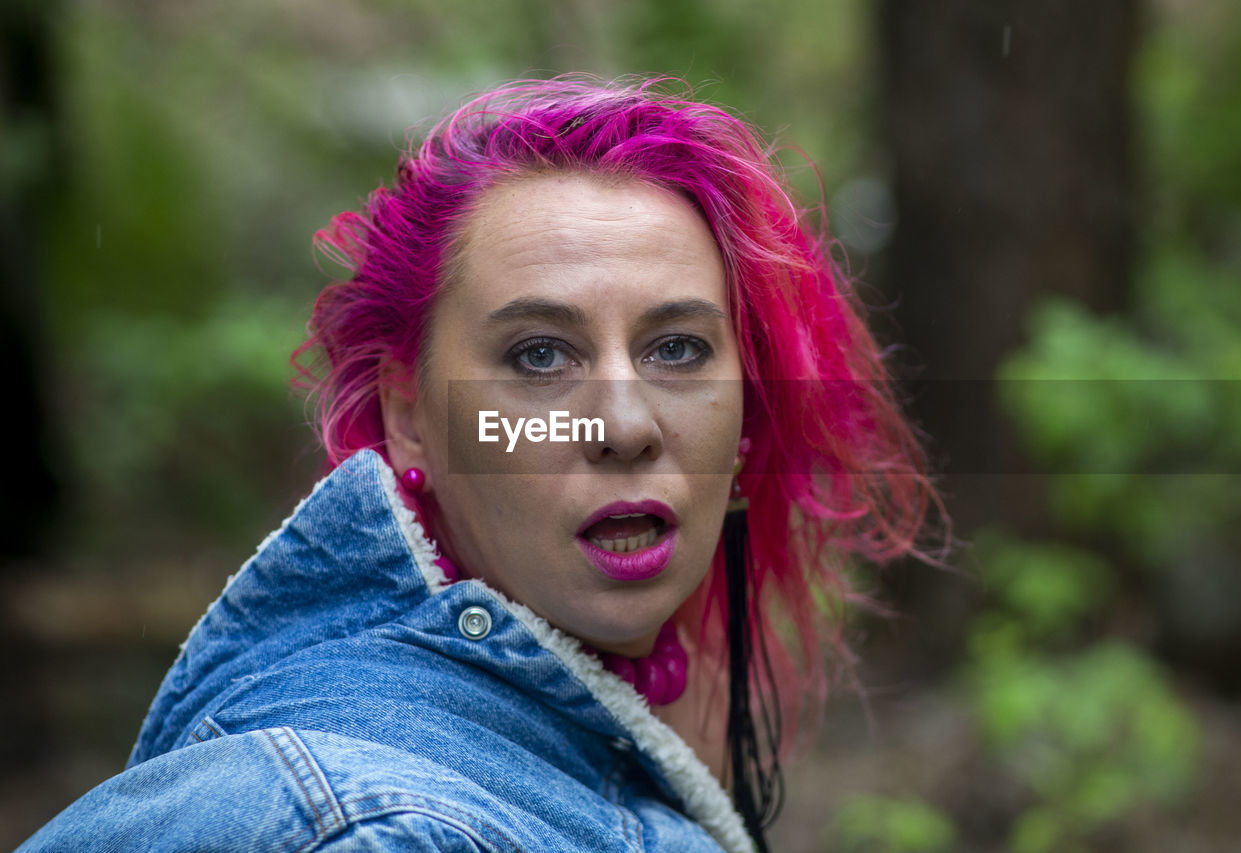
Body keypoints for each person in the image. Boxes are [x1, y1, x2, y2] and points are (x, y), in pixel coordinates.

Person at [20, 76, 935, 852]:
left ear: (744, 427)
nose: (625, 424)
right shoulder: (376, 829)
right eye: (540, 354)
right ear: (409, 416)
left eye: (678, 349)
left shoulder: (552, 767)